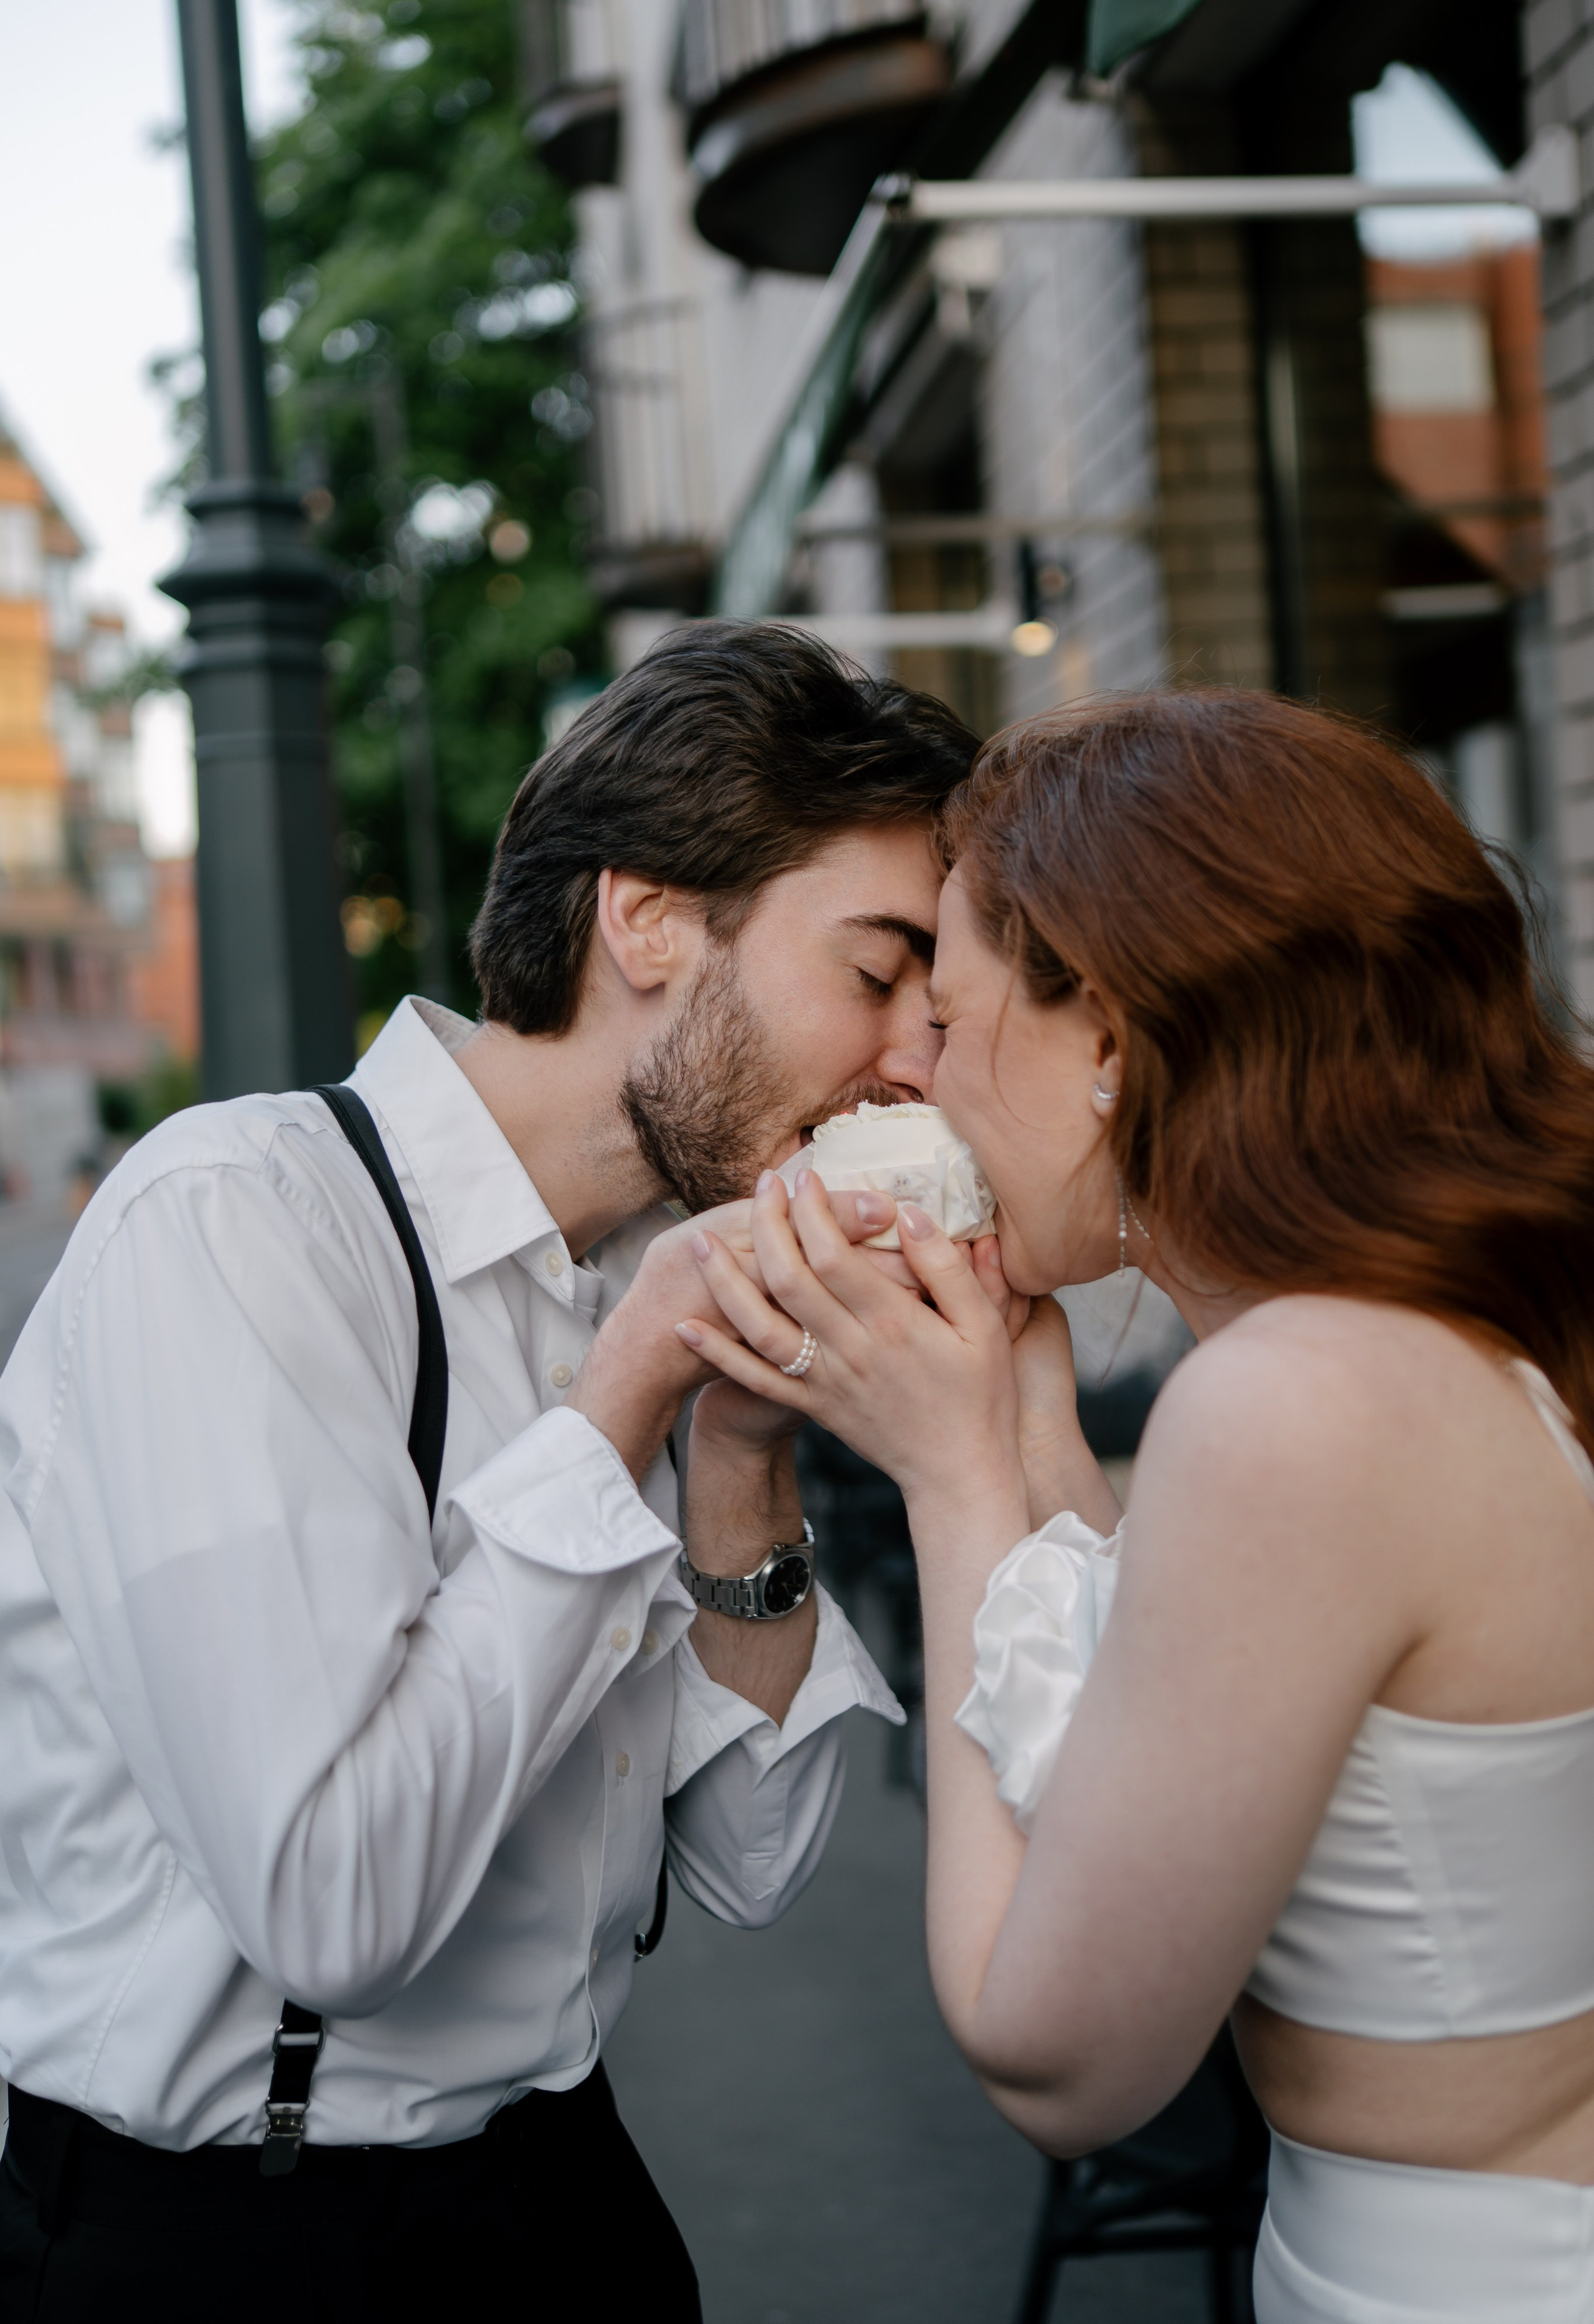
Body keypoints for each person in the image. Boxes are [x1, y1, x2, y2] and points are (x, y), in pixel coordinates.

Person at [0, 621, 978, 2323]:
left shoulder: (655, 1273)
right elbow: (337, 1907)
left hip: (563, 2198)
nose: (914, 1061)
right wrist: (620, 1400)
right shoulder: (238, 1227)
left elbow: (754, 1863)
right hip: (231, 2246)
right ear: (650, 916)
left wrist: (737, 1451)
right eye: (880, 971)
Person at [679, 687, 1594, 2324]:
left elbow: (1056, 2056)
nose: (916, 1085)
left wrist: (955, 1488)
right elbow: (1157, 1729)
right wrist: (1022, 1401)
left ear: (1104, 1037)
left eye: (949, 1026)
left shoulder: (1295, 1401)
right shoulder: (1442, 1339)